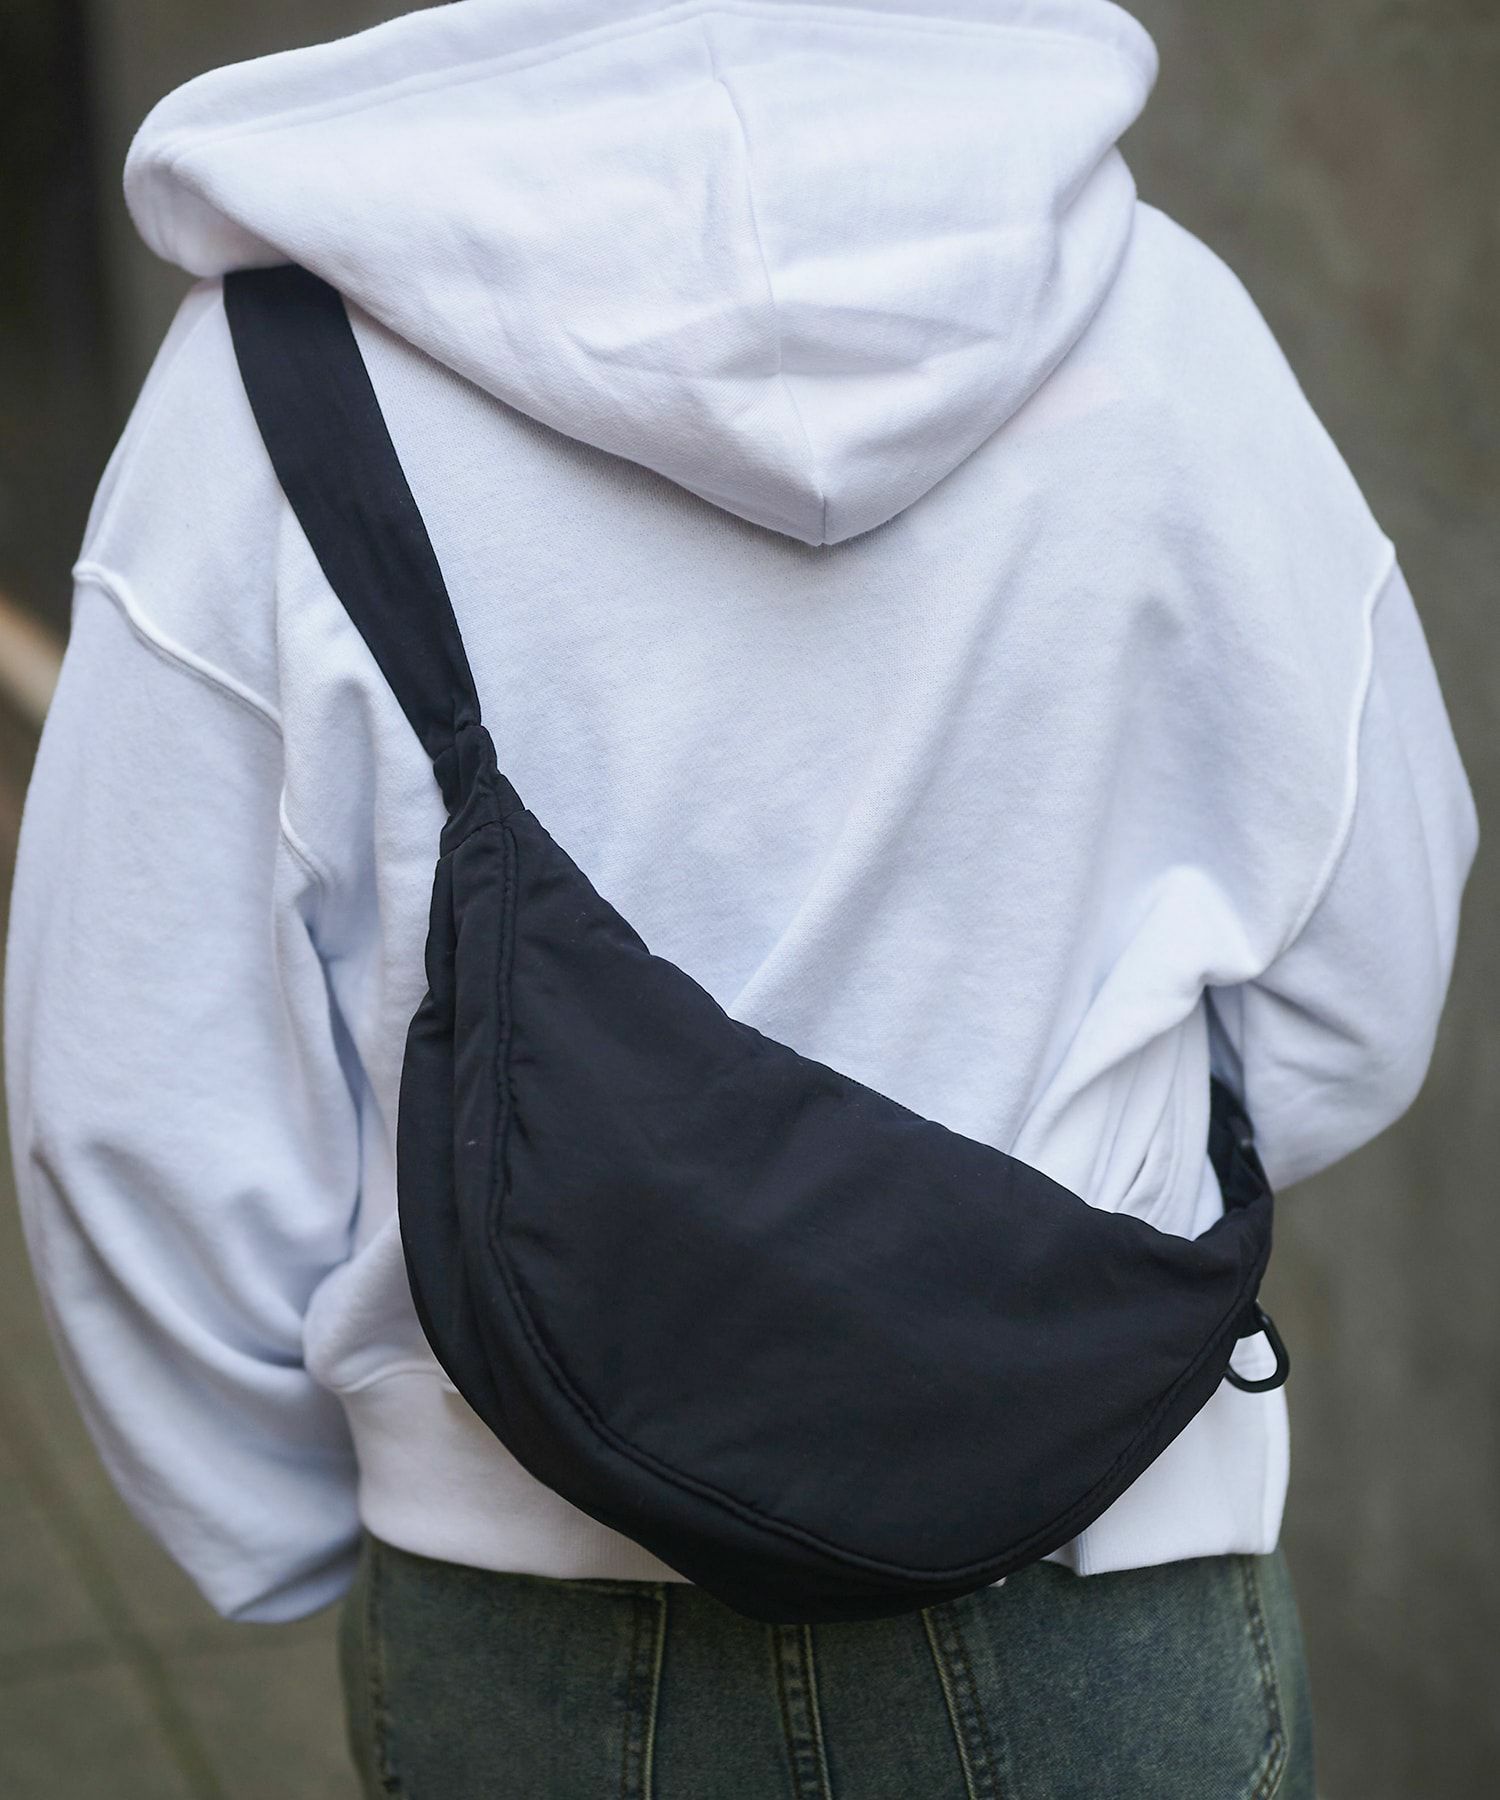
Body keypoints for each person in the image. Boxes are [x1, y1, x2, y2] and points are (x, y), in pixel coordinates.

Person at [5, 2, 1477, 1795]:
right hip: (1105, 1585)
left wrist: (358, 1492)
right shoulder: (1162, 325)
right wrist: (1083, 1241)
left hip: (525, 1639)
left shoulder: (269, 389)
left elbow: (135, 1092)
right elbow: (1363, 962)